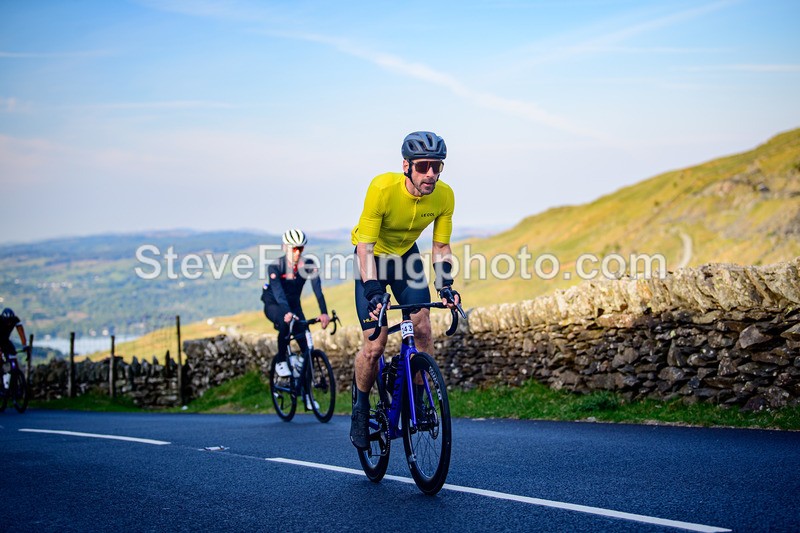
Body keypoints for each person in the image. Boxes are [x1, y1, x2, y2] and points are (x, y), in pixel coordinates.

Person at [349, 131, 462, 449]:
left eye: (437, 167)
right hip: (372, 259)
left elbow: (440, 246)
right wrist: (372, 290)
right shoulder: (382, 188)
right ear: (406, 166)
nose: (431, 174)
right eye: (424, 166)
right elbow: (365, 247)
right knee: (375, 345)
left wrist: (446, 285)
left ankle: (420, 401)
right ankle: (360, 408)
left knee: (423, 324)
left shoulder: (444, 196)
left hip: (405, 258)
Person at [261, 229, 330, 410]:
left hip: (294, 305)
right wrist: (286, 312)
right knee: (286, 322)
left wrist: (324, 312)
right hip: (274, 304)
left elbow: (318, 290)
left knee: (307, 348)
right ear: (285, 247)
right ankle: (282, 361)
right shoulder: (275, 266)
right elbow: (278, 294)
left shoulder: (308, 265)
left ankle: (307, 395)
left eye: (300, 248)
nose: (297, 252)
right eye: (293, 249)